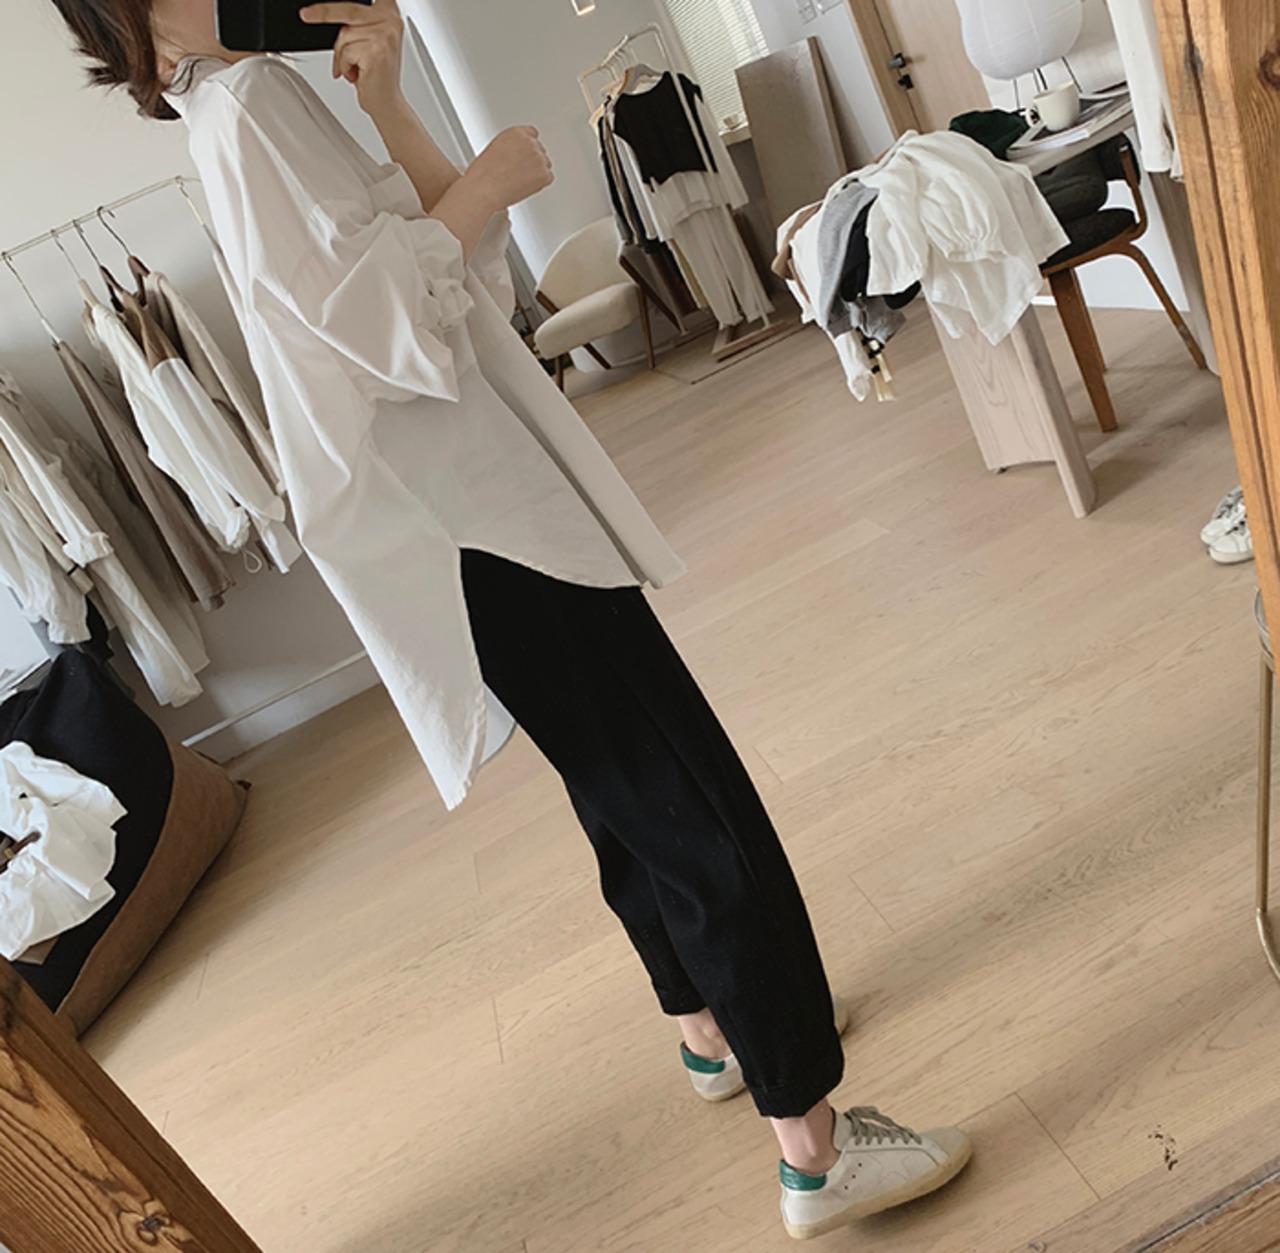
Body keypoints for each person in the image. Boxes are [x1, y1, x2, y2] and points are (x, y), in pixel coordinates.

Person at [51, 0, 971, 1238]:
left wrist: (391, 107)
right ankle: (811, 1144)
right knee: (681, 789)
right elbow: (383, 331)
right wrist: (483, 179)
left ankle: (708, 1024)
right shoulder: (252, 106)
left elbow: (436, 283)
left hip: (460, 515)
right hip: (479, 515)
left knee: (615, 780)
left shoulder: (233, 107)